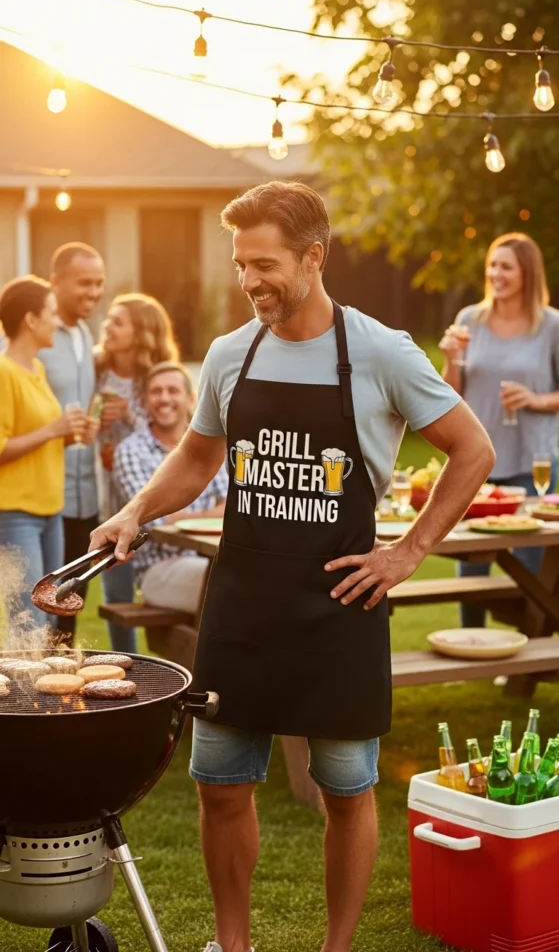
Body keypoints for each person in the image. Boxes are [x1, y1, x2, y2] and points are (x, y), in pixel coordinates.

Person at [90, 181, 495, 952]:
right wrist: (136, 511)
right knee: (218, 786)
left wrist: (407, 551)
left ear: (314, 257)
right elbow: (198, 454)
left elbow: (472, 450)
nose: (249, 281)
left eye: (265, 263)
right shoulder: (229, 353)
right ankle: (233, 945)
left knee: (345, 792)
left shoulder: (380, 351)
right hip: (240, 604)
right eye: (241, 265)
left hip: (337, 605)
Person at [440, 232, 559, 628]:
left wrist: (536, 398)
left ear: (527, 273)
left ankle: (528, 654)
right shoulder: (470, 320)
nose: (496, 273)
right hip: (478, 461)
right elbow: (450, 393)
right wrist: (452, 358)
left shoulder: (551, 325)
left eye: (506, 266)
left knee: (531, 567)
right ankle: (469, 641)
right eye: (492, 264)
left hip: (533, 462)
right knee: (471, 562)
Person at [0, 276, 95, 629]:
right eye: (52, 313)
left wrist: (71, 435)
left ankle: (45, 685)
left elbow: (40, 442)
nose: (58, 321)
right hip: (16, 514)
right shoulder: (4, 372)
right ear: (31, 319)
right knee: (28, 621)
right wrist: (53, 429)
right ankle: (26, 686)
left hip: (50, 512)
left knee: (49, 619)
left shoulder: (36, 369)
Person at [96, 293, 180, 653]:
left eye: (118, 321)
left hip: (148, 495)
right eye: (109, 320)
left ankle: (152, 669)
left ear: (141, 332)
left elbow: (166, 432)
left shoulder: (154, 377)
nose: (107, 326)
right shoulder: (96, 370)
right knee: (117, 596)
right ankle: (122, 665)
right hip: (108, 498)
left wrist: (128, 423)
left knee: (151, 591)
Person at [113, 361, 228, 611]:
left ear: (191, 399)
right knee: (230, 586)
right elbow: (156, 523)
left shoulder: (212, 446)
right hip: (159, 570)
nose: (164, 398)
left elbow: (233, 507)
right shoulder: (130, 451)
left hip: (212, 560)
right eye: (156, 391)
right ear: (144, 401)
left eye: (173, 391)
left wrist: (185, 517)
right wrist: (211, 516)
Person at [38, 242, 106, 644]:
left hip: (86, 498)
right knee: (39, 604)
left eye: (99, 284)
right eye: (85, 283)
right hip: (48, 494)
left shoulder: (84, 334)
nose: (94, 293)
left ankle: (61, 689)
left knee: (71, 605)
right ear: (56, 283)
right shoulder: (36, 335)